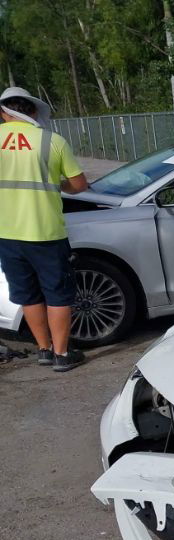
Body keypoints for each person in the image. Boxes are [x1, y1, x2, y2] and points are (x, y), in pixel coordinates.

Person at [0, 86, 90, 372]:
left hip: (7, 233)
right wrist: (56, 184)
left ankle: (44, 349)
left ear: (4, 113)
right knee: (58, 293)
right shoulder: (53, 141)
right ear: (33, 110)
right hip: (46, 233)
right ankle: (62, 355)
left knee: (27, 294)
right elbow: (79, 185)